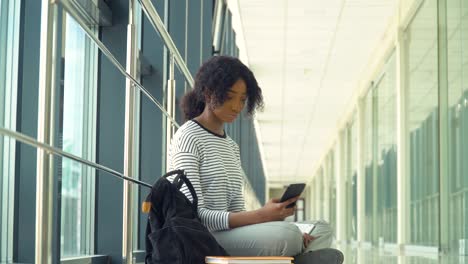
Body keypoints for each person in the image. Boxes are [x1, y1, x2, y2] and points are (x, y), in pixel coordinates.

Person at [167, 55, 344, 264]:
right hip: (201, 236)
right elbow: (196, 216)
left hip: (228, 234)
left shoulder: (231, 146)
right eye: (230, 96)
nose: (237, 106)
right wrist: (263, 216)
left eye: (242, 99)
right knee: (287, 236)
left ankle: (296, 256)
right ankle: (299, 256)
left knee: (321, 229)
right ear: (207, 93)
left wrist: (265, 216)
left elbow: (236, 212)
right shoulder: (188, 137)